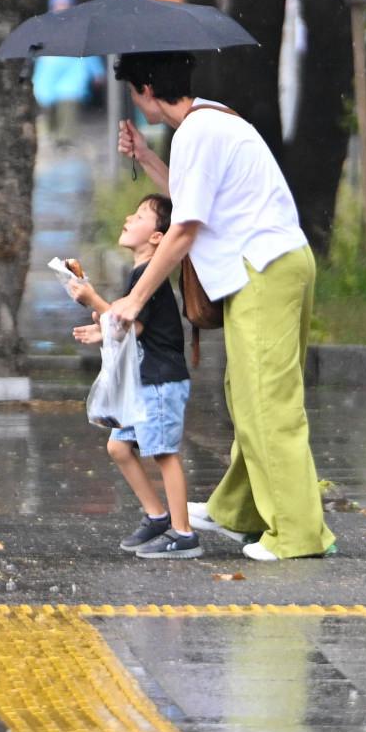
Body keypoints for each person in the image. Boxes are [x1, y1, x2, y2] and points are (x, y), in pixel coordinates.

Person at [107, 50, 335, 561]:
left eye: (131, 89)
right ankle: (240, 509)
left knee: (267, 401)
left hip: (263, 270)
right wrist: (145, 157)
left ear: (145, 88)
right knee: (246, 392)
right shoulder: (207, 120)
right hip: (273, 263)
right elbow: (194, 203)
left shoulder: (197, 132)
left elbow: (184, 228)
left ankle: (297, 535)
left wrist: (135, 298)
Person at [69, 194, 200, 559]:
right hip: (141, 380)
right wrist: (100, 328)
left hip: (160, 380)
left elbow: (127, 320)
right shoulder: (140, 274)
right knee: (118, 446)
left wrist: (93, 300)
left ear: (158, 237)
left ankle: (183, 531)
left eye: (140, 215)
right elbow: (136, 325)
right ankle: (158, 517)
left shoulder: (149, 275)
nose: (128, 217)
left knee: (163, 453)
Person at [32, 0, 104, 147]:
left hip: (72, 78)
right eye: (59, 5)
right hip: (47, 79)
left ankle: (65, 139)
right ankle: (54, 135)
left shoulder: (80, 30)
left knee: (68, 108)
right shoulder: (44, 28)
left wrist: (97, 72)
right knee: (49, 111)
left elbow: (88, 53)